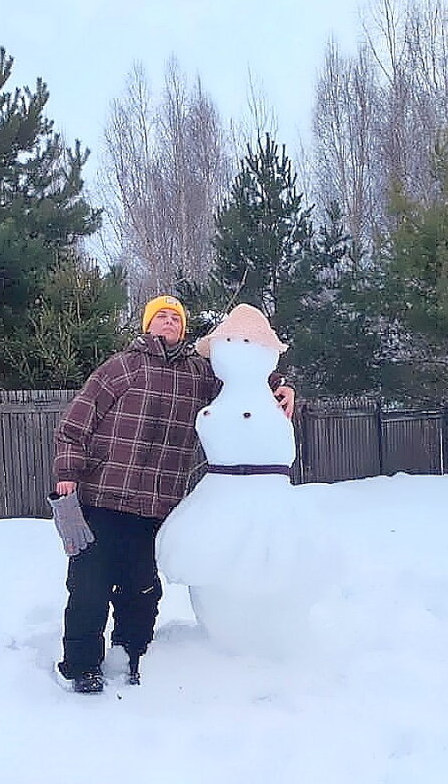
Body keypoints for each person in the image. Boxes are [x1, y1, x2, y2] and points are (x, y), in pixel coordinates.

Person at [48, 295, 294, 694]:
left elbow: (242, 380)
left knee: (142, 589)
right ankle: (81, 666)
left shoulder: (199, 374)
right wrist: (67, 474)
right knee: (89, 587)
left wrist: (281, 389)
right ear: (147, 325)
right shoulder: (120, 367)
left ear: (183, 328)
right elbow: (75, 425)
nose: (168, 322)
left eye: (175, 318)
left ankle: (130, 654)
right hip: (103, 498)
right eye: (160, 316)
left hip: (157, 506)